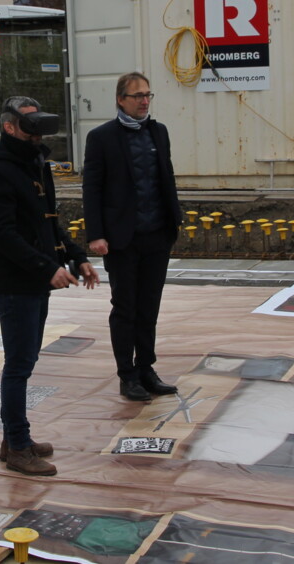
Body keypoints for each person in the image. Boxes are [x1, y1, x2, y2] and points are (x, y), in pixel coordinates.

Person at [0, 96, 98, 476]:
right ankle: (17, 446)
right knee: (18, 367)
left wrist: (77, 256)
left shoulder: (34, 162)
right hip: (14, 285)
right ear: (9, 127)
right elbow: (4, 235)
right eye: (29, 123)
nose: (36, 129)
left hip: (32, 282)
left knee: (24, 364)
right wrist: (47, 267)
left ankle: (15, 439)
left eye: (39, 122)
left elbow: (49, 223)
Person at [82, 73, 184, 402]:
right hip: (122, 239)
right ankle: (127, 374)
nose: (144, 100)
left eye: (147, 95)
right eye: (137, 95)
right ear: (120, 99)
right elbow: (92, 188)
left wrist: (174, 222)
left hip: (156, 235)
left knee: (149, 307)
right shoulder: (102, 138)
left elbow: (164, 178)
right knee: (125, 308)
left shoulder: (159, 132)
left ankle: (147, 369)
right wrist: (95, 234)